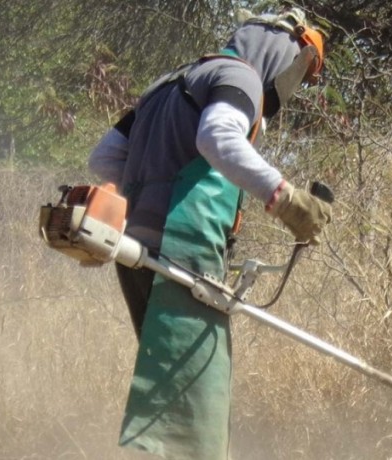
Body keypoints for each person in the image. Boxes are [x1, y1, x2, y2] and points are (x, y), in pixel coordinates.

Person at [87, 9, 332, 459]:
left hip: (138, 253)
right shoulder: (239, 77)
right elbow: (218, 138)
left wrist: (149, 199)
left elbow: (104, 158)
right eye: (300, 68)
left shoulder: (167, 83)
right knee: (195, 415)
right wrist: (287, 200)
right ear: (281, 52)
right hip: (184, 248)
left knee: (175, 401)